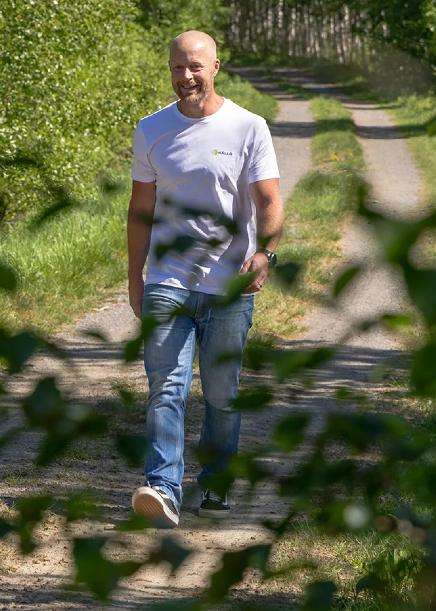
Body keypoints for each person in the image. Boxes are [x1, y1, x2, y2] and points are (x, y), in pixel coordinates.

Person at [126, 30, 283, 526]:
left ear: (216, 67)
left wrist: (266, 253)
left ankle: (215, 484)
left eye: (195, 66)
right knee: (165, 388)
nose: (185, 76)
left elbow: (269, 200)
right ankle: (163, 487)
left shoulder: (248, 127)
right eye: (176, 67)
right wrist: (136, 276)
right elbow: (140, 211)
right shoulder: (151, 130)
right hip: (168, 282)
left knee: (221, 393)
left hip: (229, 286)